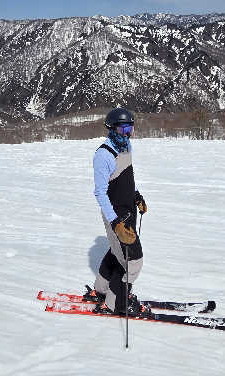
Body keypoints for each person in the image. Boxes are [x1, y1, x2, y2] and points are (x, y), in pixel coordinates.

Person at [85, 107, 148, 315]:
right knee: (133, 261)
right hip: (115, 215)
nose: (128, 132)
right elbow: (100, 193)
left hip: (129, 210)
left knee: (117, 251)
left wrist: (136, 195)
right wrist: (115, 223)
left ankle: (101, 290)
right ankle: (115, 304)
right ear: (112, 129)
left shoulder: (126, 146)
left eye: (130, 127)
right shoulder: (104, 155)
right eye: (123, 128)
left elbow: (125, 177)